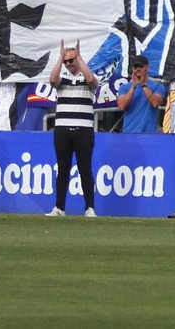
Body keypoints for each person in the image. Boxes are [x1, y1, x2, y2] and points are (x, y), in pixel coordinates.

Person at [47, 40, 98, 217]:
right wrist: (60, 58)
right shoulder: (63, 78)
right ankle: (59, 207)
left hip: (84, 130)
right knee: (63, 169)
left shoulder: (87, 76)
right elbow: (53, 80)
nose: (69, 64)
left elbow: (92, 80)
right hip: (62, 129)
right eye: (66, 61)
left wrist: (79, 57)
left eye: (71, 60)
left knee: (85, 168)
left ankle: (89, 207)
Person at [114, 54, 168, 134]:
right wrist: (133, 87)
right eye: (136, 67)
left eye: (141, 67)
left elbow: (155, 103)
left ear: (147, 67)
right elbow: (122, 106)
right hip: (129, 133)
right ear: (132, 69)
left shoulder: (158, 86)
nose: (138, 69)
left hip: (150, 134)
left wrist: (143, 85)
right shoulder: (124, 87)